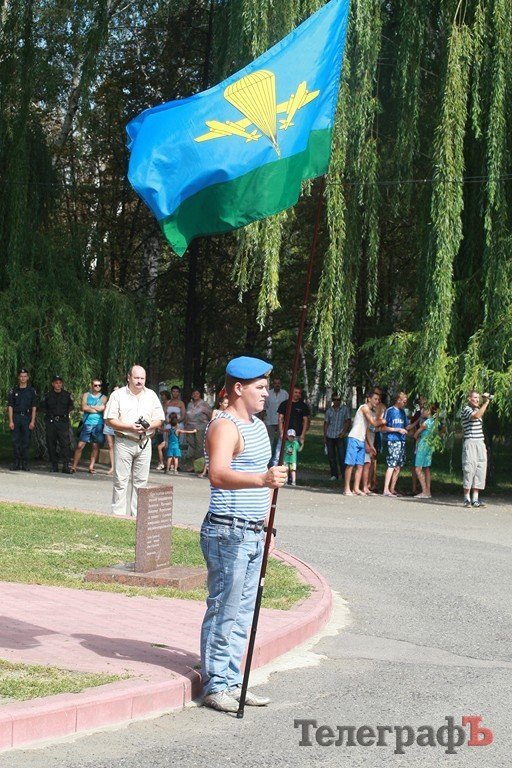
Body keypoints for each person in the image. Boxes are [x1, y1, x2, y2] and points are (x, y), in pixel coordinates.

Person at [200, 356, 287, 713]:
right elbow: (218, 474)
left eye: (267, 387)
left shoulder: (256, 425)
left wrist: (268, 526)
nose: (267, 394)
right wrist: (262, 479)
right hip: (227, 532)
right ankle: (215, 684)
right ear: (239, 388)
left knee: (244, 613)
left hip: (252, 533)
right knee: (225, 609)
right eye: (260, 388)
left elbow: (264, 480)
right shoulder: (225, 426)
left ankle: (234, 681)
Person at [104, 365, 165, 517]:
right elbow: (109, 419)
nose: (139, 381)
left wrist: (149, 425)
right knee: (121, 481)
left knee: (141, 482)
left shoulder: (151, 395)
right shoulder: (118, 395)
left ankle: (137, 517)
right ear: (129, 378)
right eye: (136, 378)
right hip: (124, 441)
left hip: (144, 442)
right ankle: (118, 515)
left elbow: (160, 419)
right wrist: (129, 427)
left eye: (142, 378)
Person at [344, 392, 385, 495]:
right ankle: (346, 489)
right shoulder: (364, 408)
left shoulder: (370, 411)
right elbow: (373, 423)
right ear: (369, 399)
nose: (377, 401)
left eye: (378, 400)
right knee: (350, 464)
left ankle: (356, 488)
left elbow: (367, 429)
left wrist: (371, 445)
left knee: (360, 465)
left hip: (361, 440)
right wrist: (384, 420)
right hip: (354, 437)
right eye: (375, 399)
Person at [461, 390, 491, 508]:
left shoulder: (478, 409)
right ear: (469, 398)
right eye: (475, 397)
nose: (477, 399)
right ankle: (466, 498)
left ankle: (475, 499)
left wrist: (484, 404)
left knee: (480, 469)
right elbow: (476, 416)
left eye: (478, 398)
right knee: (469, 469)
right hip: (470, 442)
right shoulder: (466, 409)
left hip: (480, 443)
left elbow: (479, 413)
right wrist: (486, 403)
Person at [71, 379, 107, 474]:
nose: (97, 387)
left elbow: (103, 408)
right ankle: (74, 466)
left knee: (95, 446)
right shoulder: (86, 395)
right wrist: (97, 408)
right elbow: (84, 408)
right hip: (87, 423)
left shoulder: (104, 397)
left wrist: (90, 407)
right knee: (80, 446)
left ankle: (91, 467)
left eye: (99, 385)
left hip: (98, 424)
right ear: (91, 386)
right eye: (95, 385)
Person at [40, 375, 74, 473]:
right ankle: (54, 465)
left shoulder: (67, 395)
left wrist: (64, 415)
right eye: (56, 383)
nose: (58, 385)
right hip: (51, 422)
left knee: (65, 444)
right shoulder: (48, 395)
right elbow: (43, 407)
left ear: (61, 384)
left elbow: (71, 407)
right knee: (51, 444)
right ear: (53, 384)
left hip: (63, 422)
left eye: (59, 383)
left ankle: (66, 465)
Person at [382, 392, 413, 497]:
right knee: (392, 463)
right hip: (393, 440)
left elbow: (407, 426)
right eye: (404, 401)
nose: (405, 403)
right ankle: (386, 489)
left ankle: (392, 488)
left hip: (401, 441)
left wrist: (418, 421)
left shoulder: (402, 412)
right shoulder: (390, 411)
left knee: (398, 466)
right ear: (398, 400)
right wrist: (397, 429)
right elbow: (383, 427)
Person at [7, 368, 37, 471]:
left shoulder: (31, 391)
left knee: (25, 442)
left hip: (27, 418)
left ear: (27, 378)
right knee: (16, 442)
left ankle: (25, 464)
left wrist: (32, 421)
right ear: (18, 377)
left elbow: (34, 407)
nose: (23, 378)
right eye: (21, 376)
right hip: (16, 417)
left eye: (25, 376)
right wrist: (11, 420)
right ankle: (16, 463)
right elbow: (10, 406)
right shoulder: (13, 390)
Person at [274, 386, 311, 464]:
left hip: (296, 435)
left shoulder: (303, 406)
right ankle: (275, 474)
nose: (297, 394)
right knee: (277, 456)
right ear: (291, 393)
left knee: (291, 458)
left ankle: (289, 475)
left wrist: (303, 435)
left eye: (299, 393)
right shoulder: (284, 404)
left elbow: (306, 421)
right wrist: (281, 432)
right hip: (285, 434)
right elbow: (280, 418)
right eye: (295, 392)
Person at [199, 394, 229, 478]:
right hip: (215, 433)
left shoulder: (228, 413)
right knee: (210, 453)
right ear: (220, 403)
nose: (227, 405)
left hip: (224, 435)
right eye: (225, 403)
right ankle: (205, 471)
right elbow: (212, 422)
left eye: (228, 403)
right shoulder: (216, 411)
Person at [323, 393, 351, 480]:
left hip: (340, 436)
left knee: (341, 456)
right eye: (334, 400)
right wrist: (324, 436)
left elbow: (348, 421)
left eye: (338, 400)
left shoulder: (345, 409)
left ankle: (343, 475)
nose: (336, 401)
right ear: (332, 400)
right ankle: (334, 475)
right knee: (331, 456)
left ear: (340, 400)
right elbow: (326, 423)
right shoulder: (329, 411)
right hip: (330, 435)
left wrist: (343, 432)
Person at [184, 389, 212, 470]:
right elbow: (187, 415)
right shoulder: (190, 404)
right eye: (194, 393)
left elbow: (210, 415)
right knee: (191, 445)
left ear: (200, 395)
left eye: (197, 393)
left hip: (201, 428)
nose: (195, 395)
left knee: (199, 446)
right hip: (190, 428)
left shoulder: (204, 404)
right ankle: (191, 465)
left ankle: (199, 466)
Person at [414, 404, 437, 498]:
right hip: (430, 445)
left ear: (429, 411)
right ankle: (428, 491)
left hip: (423, 445)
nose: (422, 411)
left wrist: (417, 437)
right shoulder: (435, 422)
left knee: (418, 468)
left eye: (424, 409)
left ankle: (424, 491)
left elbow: (415, 435)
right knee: (427, 468)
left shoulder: (425, 423)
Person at [263, 377, 288, 453]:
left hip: (282, 421)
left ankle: (280, 457)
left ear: (281, 384)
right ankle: (268, 457)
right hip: (270, 420)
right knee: (269, 441)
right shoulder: (268, 394)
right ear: (273, 384)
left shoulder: (285, 394)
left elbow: (288, 407)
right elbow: (264, 407)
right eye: (275, 383)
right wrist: (261, 420)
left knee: (281, 440)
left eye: (278, 383)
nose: (277, 385)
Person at [103, 386, 119, 475]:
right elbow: (105, 414)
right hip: (109, 425)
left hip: (118, 426)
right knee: (111, 446)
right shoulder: (109, 402)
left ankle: (119, 467)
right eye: (114, 390)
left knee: (120, 446)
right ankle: (112, 467)